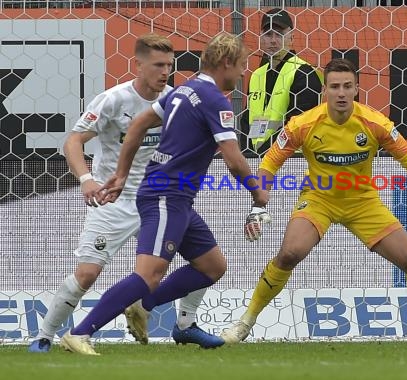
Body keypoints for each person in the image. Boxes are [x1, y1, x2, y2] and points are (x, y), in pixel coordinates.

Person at [221, 58, 407, 345]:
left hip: (363, 203)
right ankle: (244, 324)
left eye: (347, 86)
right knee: (289, 254)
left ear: (357, 89)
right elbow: (270, 161)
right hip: (318, 199)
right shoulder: (303, 124)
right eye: (334, 87)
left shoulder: (374, 123)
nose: (341, 93)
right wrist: (259, 205)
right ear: (325, 91)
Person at [59, 32, 269, 355]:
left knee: (213, 266)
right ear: (226, 63)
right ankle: (79, 333)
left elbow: (139, 124)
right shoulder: (214, 99)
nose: (243, 74)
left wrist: (122, 173)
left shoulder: (184, 89)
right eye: (242, 66)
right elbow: (232, 156)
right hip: (165, 194)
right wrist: (257, 192)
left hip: (176, 197)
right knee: (149, 274)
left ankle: (145, 307)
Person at [28, 33, 221, 353]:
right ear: (139, 64)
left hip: (160, 196)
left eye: (169, 65)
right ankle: (44, 337)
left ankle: (186, 325)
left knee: (206, 260)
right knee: (87, 274)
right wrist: (87, 179)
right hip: (114, 199)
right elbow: (73, 142)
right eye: (158, 65)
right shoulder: (113, 100)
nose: (165, 72)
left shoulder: (175, 101)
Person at [241, 8, 323, 153]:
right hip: (255, 159)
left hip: (291, 161)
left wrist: (264, 155)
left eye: (279, 34)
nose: (273, 40)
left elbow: (298, 126)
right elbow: (247, 120)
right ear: (261, 39)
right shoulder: (257, 75)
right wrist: (246, 154)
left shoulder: (304, 73)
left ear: (291, 37)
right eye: (268, 34)